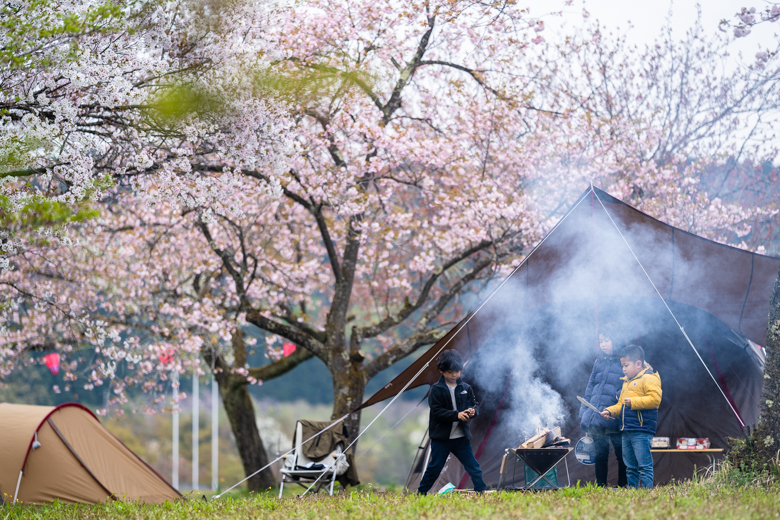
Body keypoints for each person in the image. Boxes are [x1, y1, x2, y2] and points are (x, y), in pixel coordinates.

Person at [417, 350, 487, 494]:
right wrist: (457, 415)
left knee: (473, 466)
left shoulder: (465, 388)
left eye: (457, 371)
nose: (454, 375)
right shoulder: (436, 389)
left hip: (460, 437)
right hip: (442, 437)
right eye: (450, 372)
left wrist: (473, 411)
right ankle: (421, 493)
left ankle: (481, 491)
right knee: (435, 468)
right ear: (441, 371)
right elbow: (437, 411)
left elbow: (474, 405)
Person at [600, 344, 662, 489]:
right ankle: (633, 494)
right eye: (622, 366)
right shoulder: (626, 382)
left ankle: (646, 493)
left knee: (644, 466)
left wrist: (633, 402)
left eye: (626, 365)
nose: (624, 369)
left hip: (641, 430)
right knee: (630, 466)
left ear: (638, 364)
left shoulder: (649, 378)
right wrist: (610, 411)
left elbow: (655, 400)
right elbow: (621, 404)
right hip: (626, 429)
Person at [579, 322, 627, 487]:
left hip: (615, 417)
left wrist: (616, 411)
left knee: (622, 455)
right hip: (597, 417)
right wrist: (584, 412)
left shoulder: (624, 363)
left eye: (607, 340)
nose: (603, 344)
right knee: (600, 454)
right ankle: (600, 487)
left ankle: (623, 486)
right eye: (601, 341)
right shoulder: (598, 362)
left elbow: (627, 391)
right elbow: (590, 388)